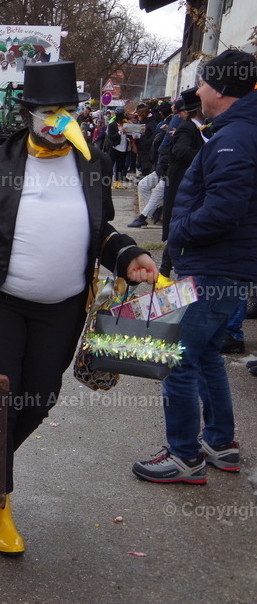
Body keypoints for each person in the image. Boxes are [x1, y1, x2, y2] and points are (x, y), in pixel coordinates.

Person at [0, 61, 158, 555]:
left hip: (62, 308)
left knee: (37, 399)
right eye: (51, 113)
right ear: (31, 115)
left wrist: (129, 255)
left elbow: (98, 230)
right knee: (2, 400)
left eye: (70, 112)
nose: (61, 122)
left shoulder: (92, 162)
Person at [133, 49, 257, 484]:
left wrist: (180, 230)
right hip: (221, 269)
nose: (198, 92)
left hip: (210, 269)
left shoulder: (233, 137)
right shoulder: (237, 130)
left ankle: (185, 456)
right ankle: (219, 442)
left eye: (203, 83)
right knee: (205, 356)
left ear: (220, 89)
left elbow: (224, 208)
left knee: (176, 359)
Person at [158, 87, 205, 277]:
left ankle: (167, 267)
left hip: (186, 184)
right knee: (180, 225)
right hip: (181, 184)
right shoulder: (188, 127)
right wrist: (207, 156)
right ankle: (165, 268)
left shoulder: (197, 127)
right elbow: (180, 150)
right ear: (198, 109)